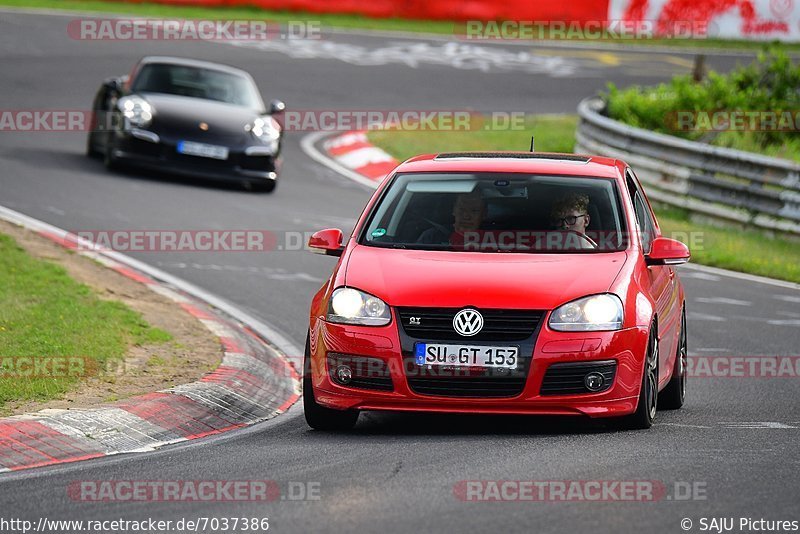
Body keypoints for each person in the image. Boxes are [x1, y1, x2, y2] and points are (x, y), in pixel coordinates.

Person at [418, 191, 486, 245]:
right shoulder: (431, 237)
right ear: (454, 210)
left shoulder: (494, 240)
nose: (466, 216)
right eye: (461, 209)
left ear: (484, 214)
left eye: (474, 211)